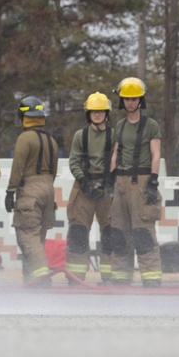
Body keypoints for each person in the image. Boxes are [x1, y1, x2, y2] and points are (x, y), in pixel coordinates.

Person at [108, 77, 162, 287]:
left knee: (143, 232)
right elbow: (116, 152)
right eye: (127, 99)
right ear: (122, 101)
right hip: (120, 181)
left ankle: (151, 279)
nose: (130, 103)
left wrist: (153, 181)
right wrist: (109, 178)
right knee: (119, 232)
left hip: (141, 182)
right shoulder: (120, 125)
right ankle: (121, 277)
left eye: (134, 99)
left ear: (141, 100)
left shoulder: (151, 125)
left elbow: (156, 154)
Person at [5, 96, 59, 286]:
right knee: (38, 239)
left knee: (27, 235)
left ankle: (41, 277)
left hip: (30, 189)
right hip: (48, 189)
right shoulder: (51, 140)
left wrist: (10, 191)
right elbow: (54, 170)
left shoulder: (24, 138)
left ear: (23, 117)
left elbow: (18, 167)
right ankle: (31, 280)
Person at [65, 92, 115, 284]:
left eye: (101, 111)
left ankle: (109, 277)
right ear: (88, 113)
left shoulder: (114, 135)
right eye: (93, 111)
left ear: (106, 113)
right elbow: (74, 161)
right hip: (83, 186)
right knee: (78, 232)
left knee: (110, 233)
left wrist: (108, 183)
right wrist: (84, 182)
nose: (97, 115)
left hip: (107, 188)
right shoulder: (81, 135)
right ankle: (75, 277)